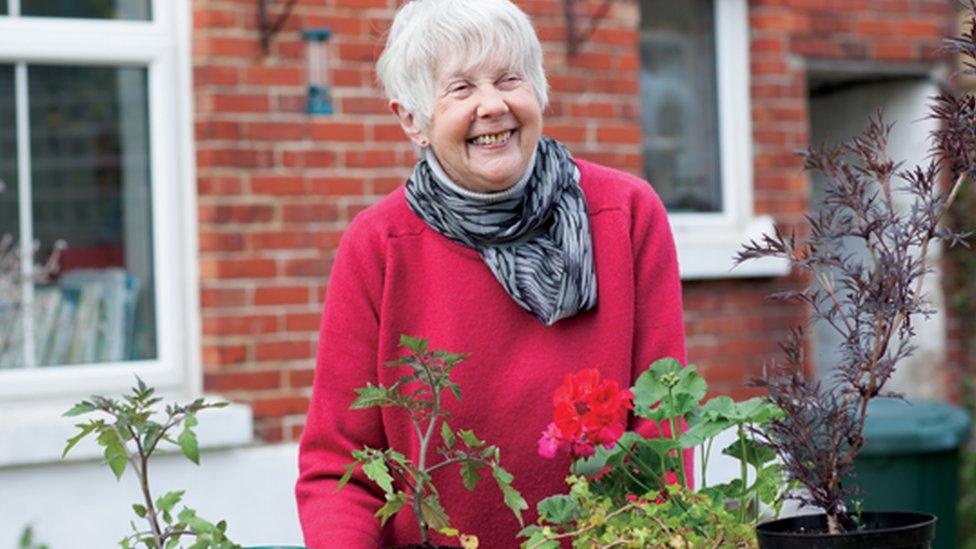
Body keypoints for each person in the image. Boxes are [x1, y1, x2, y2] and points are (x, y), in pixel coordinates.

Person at [295, 0, 689, 546]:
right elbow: (340, 469)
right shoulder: (380, 246)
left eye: (510, 79)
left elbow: (660, 431)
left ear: (539, 92)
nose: (493, 105)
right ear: (411, 119)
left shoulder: (624, 215)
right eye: (460, 89)